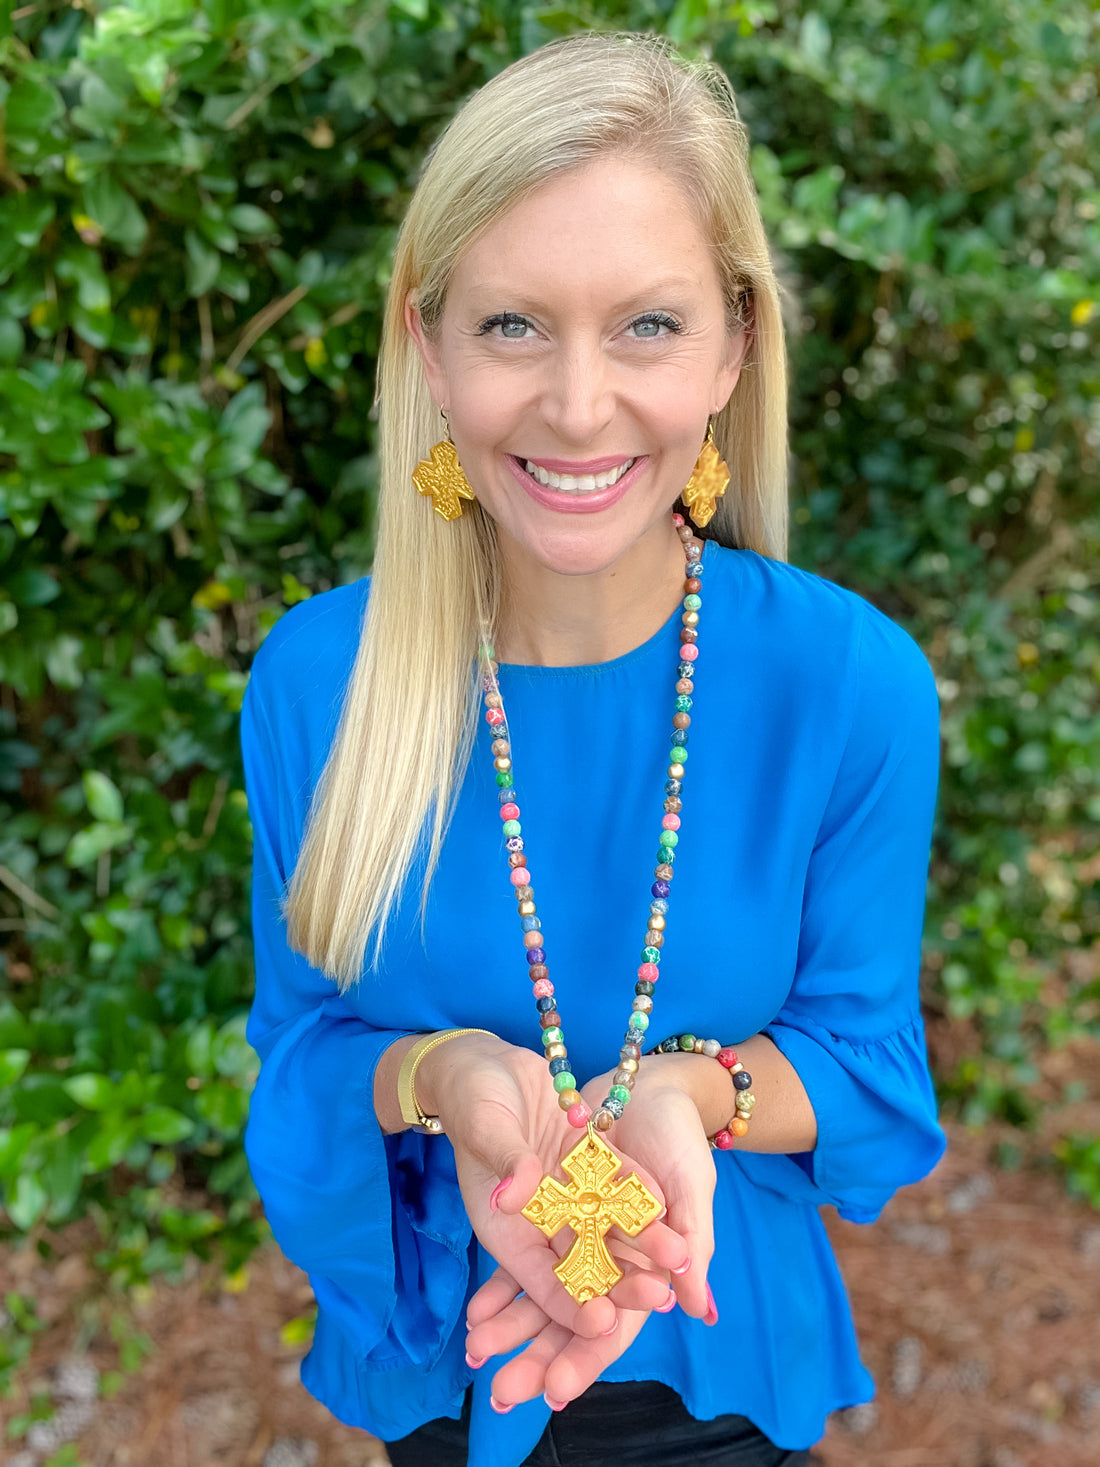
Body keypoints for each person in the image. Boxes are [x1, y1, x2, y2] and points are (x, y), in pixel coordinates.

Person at [239, 30, 946, 1467]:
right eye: (512, 326)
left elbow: (867, 1061)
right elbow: (305, 1054)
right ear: (426, 344)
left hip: (723, 1376)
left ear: (736, 344)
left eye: (647, 325)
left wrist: (688, 1096)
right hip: (442, 1369)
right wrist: (442, 1078)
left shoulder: (849, 682)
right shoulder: (320, 684)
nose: (574, 405)